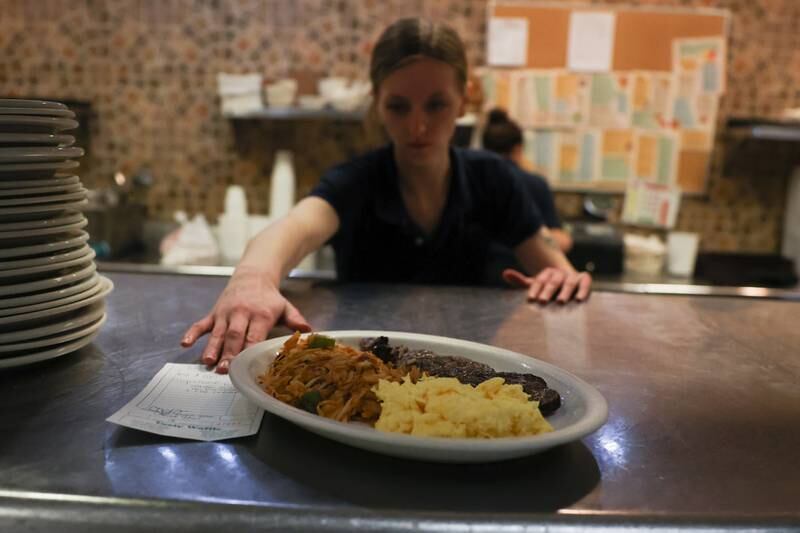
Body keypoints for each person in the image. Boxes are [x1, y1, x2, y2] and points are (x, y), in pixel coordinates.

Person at [182, 18, 592, 374]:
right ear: (377, 101)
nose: (418, 126)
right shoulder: (355, 182)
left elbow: (554, 269)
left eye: (436, 105)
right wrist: (252, 279)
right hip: (363, 379)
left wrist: (559, 278)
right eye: (399, 106)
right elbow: (294, 229)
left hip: (473, 377)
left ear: (464, 99)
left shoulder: (495, 179)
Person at [481, 108, 572, 252]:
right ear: (518, 148)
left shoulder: (473, 180)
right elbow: (560, 240)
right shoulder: (534, 183)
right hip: (525, 269)